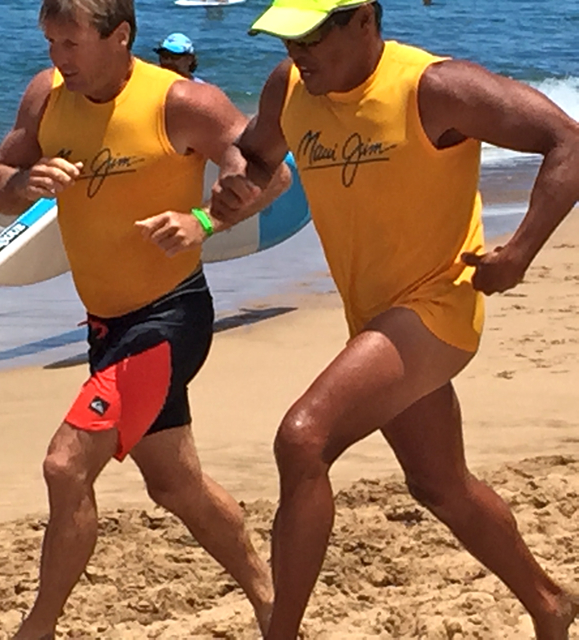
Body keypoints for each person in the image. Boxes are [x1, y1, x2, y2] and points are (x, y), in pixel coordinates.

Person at [204, 0, 579, 638]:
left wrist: (519, 251)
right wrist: (238, 186)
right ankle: (549, 603)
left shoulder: (435, 89)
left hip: (438, 304)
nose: (296, 52)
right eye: (287, 37)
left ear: (365, 21)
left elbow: (567, 140)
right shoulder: (289, 86)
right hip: (373, 317)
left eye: (310, 35)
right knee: (440, 485)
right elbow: (256, 154)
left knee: (303, 439)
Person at [0, 0, 291, 637]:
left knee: (65, 465)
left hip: (170, 317)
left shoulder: (181, 104)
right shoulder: (47, 96)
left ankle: (37, 629)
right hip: (106, 326)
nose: (56, 58)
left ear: (119, 36)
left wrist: (205, 219)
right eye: (50, 42)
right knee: (176, 486)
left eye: (70, 43)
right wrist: (21, 184)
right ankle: (274, 607)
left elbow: (273, 174)